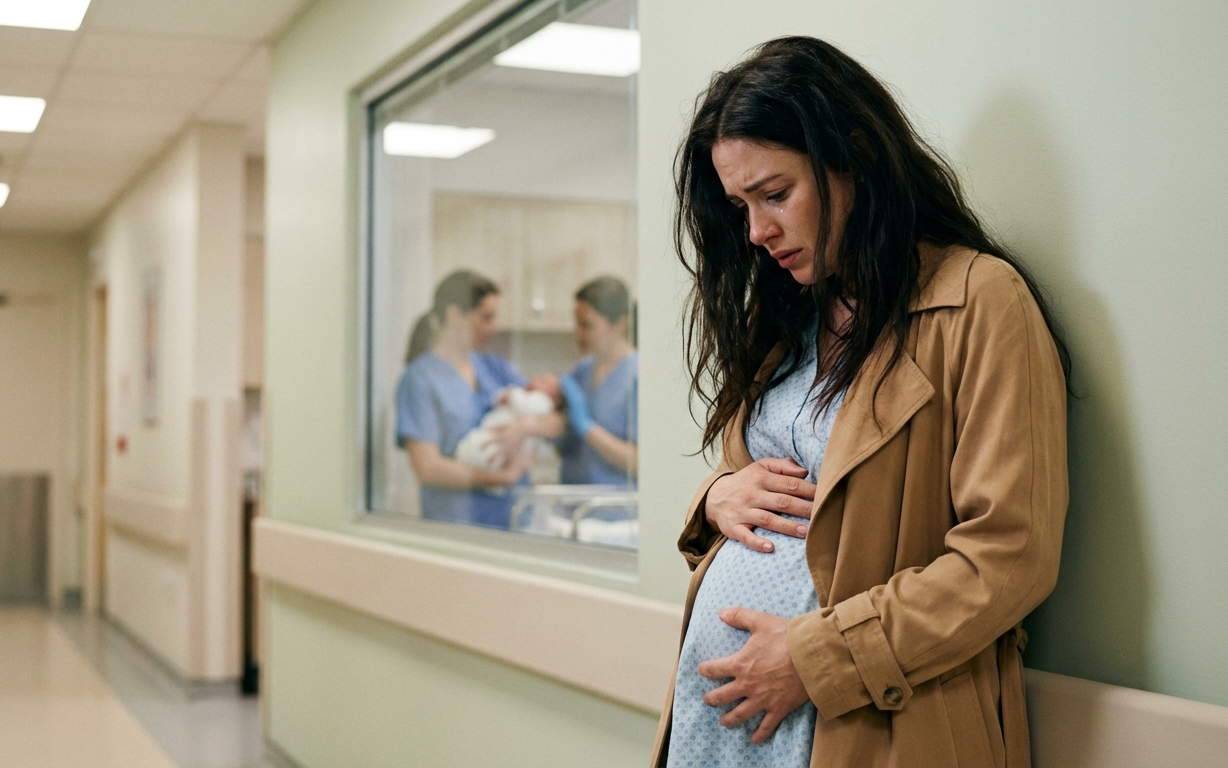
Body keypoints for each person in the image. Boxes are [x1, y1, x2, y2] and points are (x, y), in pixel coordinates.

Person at [655, 37, 1069, 768]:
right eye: (740, 206)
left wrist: (817, 658)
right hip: (727, 731)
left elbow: (1010, 556)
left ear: (854, 156)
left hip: (871, 725)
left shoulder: (979, 302)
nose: (756, 232)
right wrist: (718, 496)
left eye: (776, 194)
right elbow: (777, 489)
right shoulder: (789, 323)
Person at [395, 270, 562, 529]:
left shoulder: (495, 367)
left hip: (516, 523)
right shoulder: (420, 380)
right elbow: (427, 468)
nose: (493, 328)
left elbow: (556, 419)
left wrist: (526, 428)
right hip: (458, 527)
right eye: (486, 318)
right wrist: (500, 478)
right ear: (453, 315)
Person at [557, 276, 638, 487]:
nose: (577, 333)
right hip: (574, 507)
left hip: (616, 513)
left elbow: (642, 462)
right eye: (576, 323)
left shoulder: (637, 376)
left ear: (620, 324)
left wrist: (587, 428)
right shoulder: (582, 371)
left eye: (587, 325)